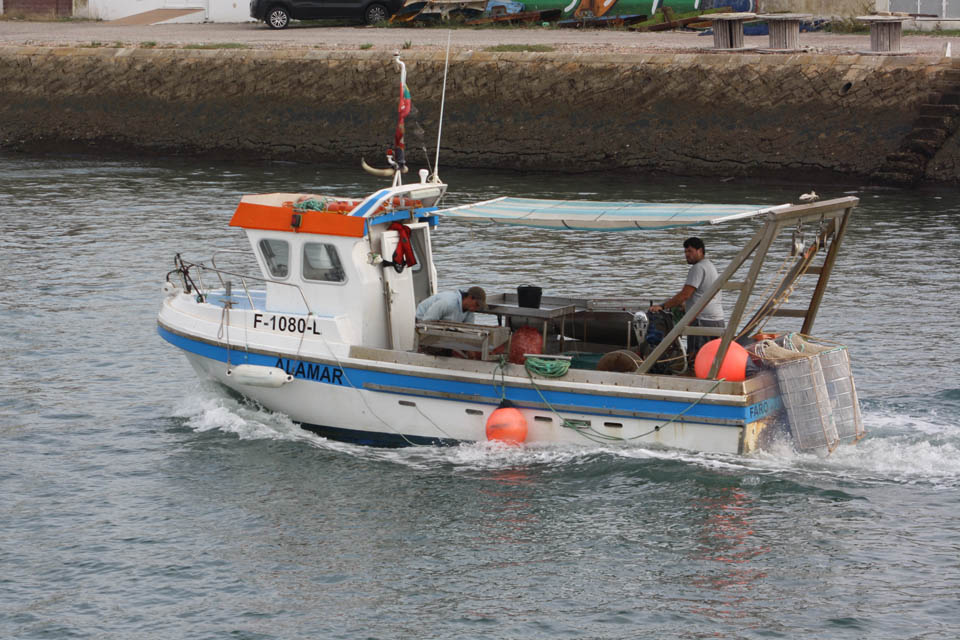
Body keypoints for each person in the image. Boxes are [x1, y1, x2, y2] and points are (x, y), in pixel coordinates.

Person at [649, 237, 724, 361]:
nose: (686, 255)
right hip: (716, 320)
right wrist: (685, 305)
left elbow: (685, 294)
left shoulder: (698, 268)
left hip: (701, 321)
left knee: (696, 359)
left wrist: (662, 306)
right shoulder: (709, 266)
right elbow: (702, 293)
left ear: (700, 251)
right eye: (685, 252)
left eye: (690, 251)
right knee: (713, 359)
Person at [415, 286, 487, 324]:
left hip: (443, 326)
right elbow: (427, 322)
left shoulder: (470, 311)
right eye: (476, 304)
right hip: (420, 320)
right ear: (470, 297)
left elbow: (470, 329)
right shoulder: (447, 302)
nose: (476, 308)